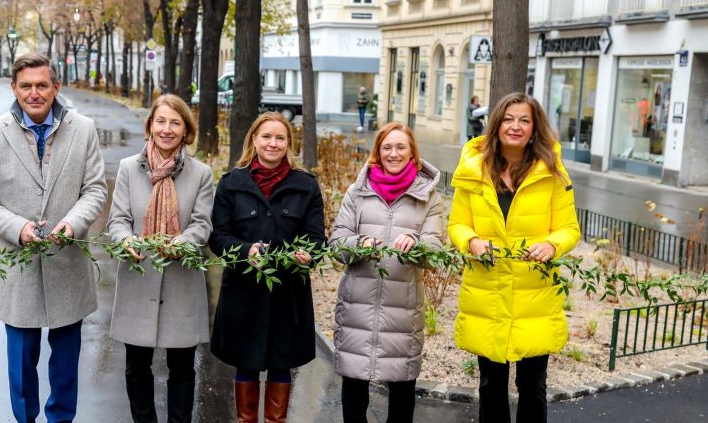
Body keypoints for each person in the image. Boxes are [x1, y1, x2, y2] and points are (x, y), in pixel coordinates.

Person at [0, 54, 107, 423]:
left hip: (69, 266)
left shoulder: (84, 129)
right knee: (21, 368)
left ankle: (61, 419)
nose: (34, 93)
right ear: (14, 88)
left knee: (65, 369)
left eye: (42, 85)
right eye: (26, 85)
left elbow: (94, 190)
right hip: (20, 271)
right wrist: (18, 228)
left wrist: (73, 225)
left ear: (56, 88)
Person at [448, 92, 580, 423]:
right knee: (490, 385)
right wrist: (472, 241)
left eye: (524, 120)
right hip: (487, 293)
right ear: (496, 124)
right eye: (508, 119)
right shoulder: (473, 169)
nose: (515, 126)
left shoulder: (552, 171)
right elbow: (457, 224)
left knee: (533, 386)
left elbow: (568, 229)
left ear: (535, 128)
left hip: (533, 296)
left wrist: (551, 245)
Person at [209, 112, 325, 423]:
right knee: (245, 363)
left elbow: (317, 239)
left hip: (287, 295)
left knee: (280, 364)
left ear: (289, 143)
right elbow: (218, 237)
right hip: (243, 294)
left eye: (280, 138)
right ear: (254, 140)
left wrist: (308, 254)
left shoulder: (306, 185)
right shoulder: (232, 183)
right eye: (266, 137)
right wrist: (246, 250)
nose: (272, 143)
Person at [107, 94, 214, 423]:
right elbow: (118, 220)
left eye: (176, 122)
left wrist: (182, 242)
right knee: (136, 366)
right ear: (150, 126)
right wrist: (126, 240)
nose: (167, 129)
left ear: (186, 130)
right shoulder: (128, 168)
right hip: (138, 278)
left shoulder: (201, 174)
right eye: (161, 121)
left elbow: (202, 224)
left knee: (182, 369)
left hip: (182, 281)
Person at [329, 122, 444, 423]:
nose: (394, 153)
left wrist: (417, 243)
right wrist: (361, 243)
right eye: (387, 147)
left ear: (413, 153)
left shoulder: (428, 196)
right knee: (354, 390)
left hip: (402, 309)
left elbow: (435, 250)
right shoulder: (358, 192)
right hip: (357, 306)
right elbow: (337, 244)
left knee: (402, 391)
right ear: (378, 153)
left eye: (401, 147)